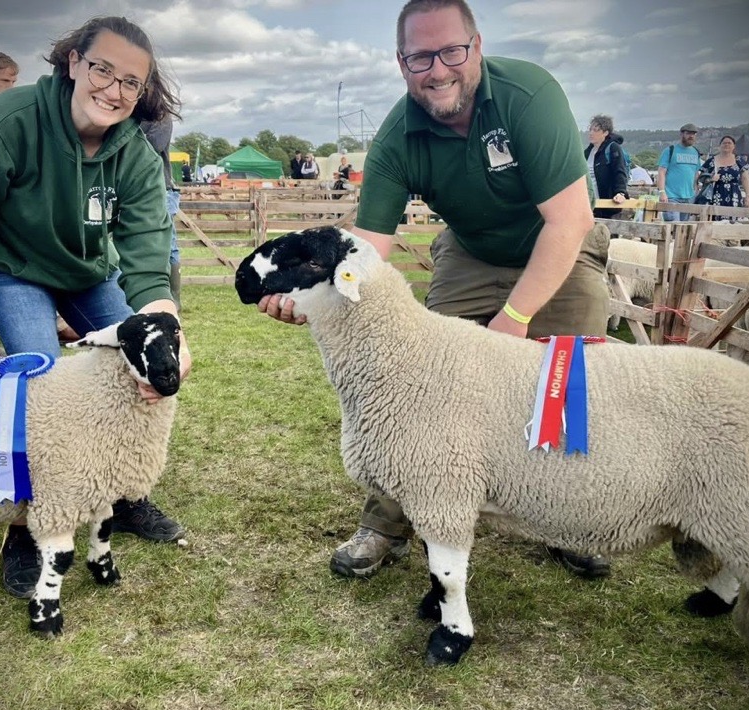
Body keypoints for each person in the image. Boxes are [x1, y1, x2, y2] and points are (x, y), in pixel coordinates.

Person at [257, 0, 611, 581]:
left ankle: (569, 519)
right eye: (421, 56)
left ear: (476, 46)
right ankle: (387, 522)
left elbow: (569, 221)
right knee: (419, 376)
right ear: (402, 63)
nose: (438, 69)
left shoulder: (529, 96)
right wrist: (310, 295)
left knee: (566, 376)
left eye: (452, 51)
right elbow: (365, 250)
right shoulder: (398, 137)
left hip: (557, 247)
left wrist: (516, 316)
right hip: (470, 250)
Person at [0, 15, 192, 599]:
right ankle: (27, 526)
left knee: (138, 370)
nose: (115, 90)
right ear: (74, 62)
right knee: (37, 376)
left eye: (132, 82)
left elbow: (149, 259)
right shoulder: (9, 122)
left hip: (85, 271)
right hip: (12, 269)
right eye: (103, 69)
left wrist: (168, 331)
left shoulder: (133, 153)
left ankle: (121, 496)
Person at [141, 115, 183, 306]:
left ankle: (174, 298)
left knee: (168, 243)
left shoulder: (161, 118)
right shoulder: (131, 118)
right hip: (137, 188)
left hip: (162, 188)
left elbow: (153, 145)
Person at [698, 135, 749, 220]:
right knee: (716, 219)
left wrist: (748, 196)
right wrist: (711, 179)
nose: (726, 145)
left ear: (734, 146)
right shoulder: (711, 161)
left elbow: (745, 179)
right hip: (716, 194)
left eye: (729, 143)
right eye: (724, 143)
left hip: (734, 195)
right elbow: (701, 178)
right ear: (720, 146)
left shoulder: (739, 160)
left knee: (735, 220)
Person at [584, 114, 627, 219]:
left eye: (596, 130)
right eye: (590, 130)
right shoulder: (587, 152)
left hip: (607, 204)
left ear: (605, 133)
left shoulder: (613, 148)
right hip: (590, 203)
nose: (591, 133)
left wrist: (621, 192)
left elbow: (619, 171)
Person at [656, 123, 702, 221]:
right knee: (673, 227)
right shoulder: (670, 150)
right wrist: (662, 192)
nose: (691, 136)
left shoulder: (696, 152)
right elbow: (661, 172)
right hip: (671, 196)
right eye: (688, 133)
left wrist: (696, 191)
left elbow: (695, 173)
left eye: (693, 134)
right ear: (681, 134)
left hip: (689, 197)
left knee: (683, 229)